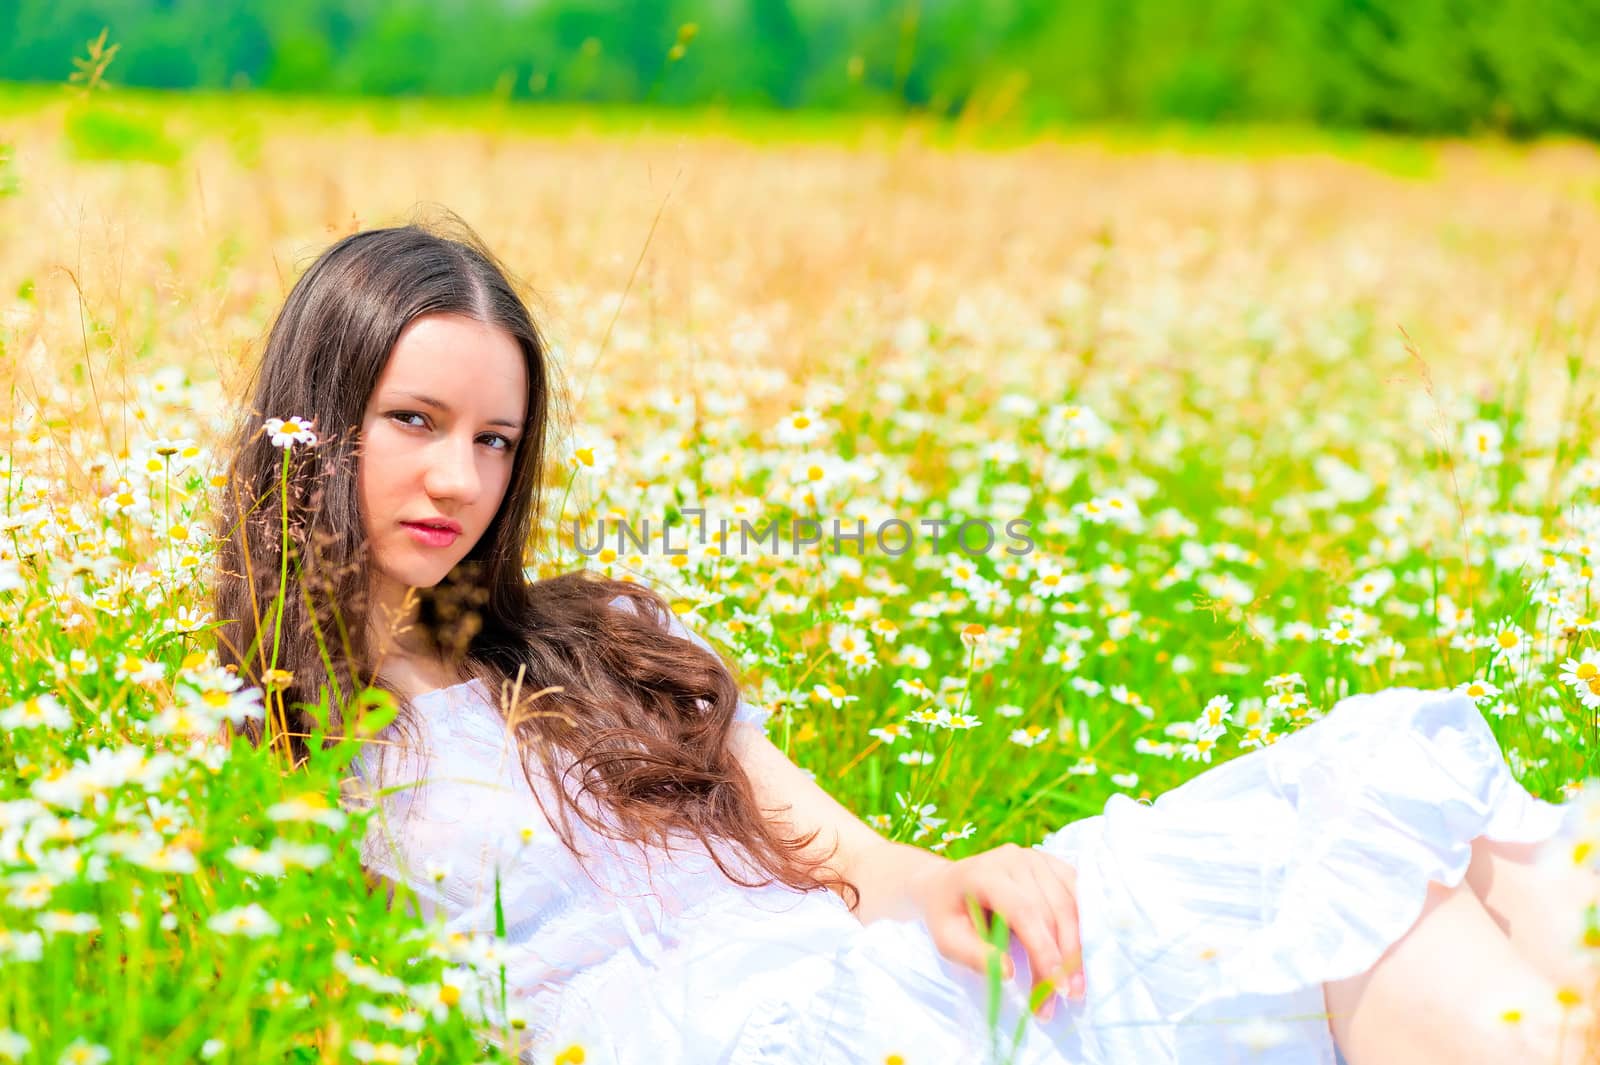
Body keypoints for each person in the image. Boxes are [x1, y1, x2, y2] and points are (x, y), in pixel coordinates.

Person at [214, 216, 1599, 1065]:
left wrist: (955, 876)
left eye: (495, 439)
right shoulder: (262, 735)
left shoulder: (598, 638)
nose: (460, 478)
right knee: (1355, 883)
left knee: (1378, 802)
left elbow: (838, 851)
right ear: (318, 415)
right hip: (745, 1045)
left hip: (860, 982)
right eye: (415, 421)